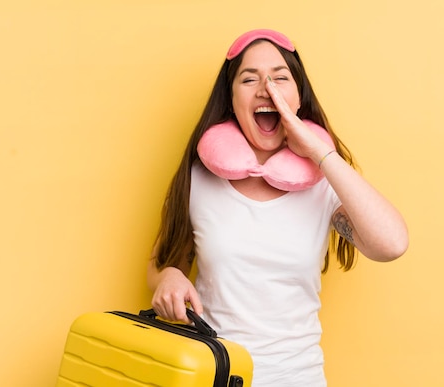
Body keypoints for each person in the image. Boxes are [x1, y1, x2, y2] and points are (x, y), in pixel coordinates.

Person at [147, 29, 408, 386]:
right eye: (249, 78)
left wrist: (319, 152)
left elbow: (392, 244)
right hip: (215, 376)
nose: (265, 88)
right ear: (231, 98)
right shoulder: (198, 179)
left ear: (298, 96)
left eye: (280, 78)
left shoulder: (325, 186)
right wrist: (169, 277)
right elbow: (162, 263)